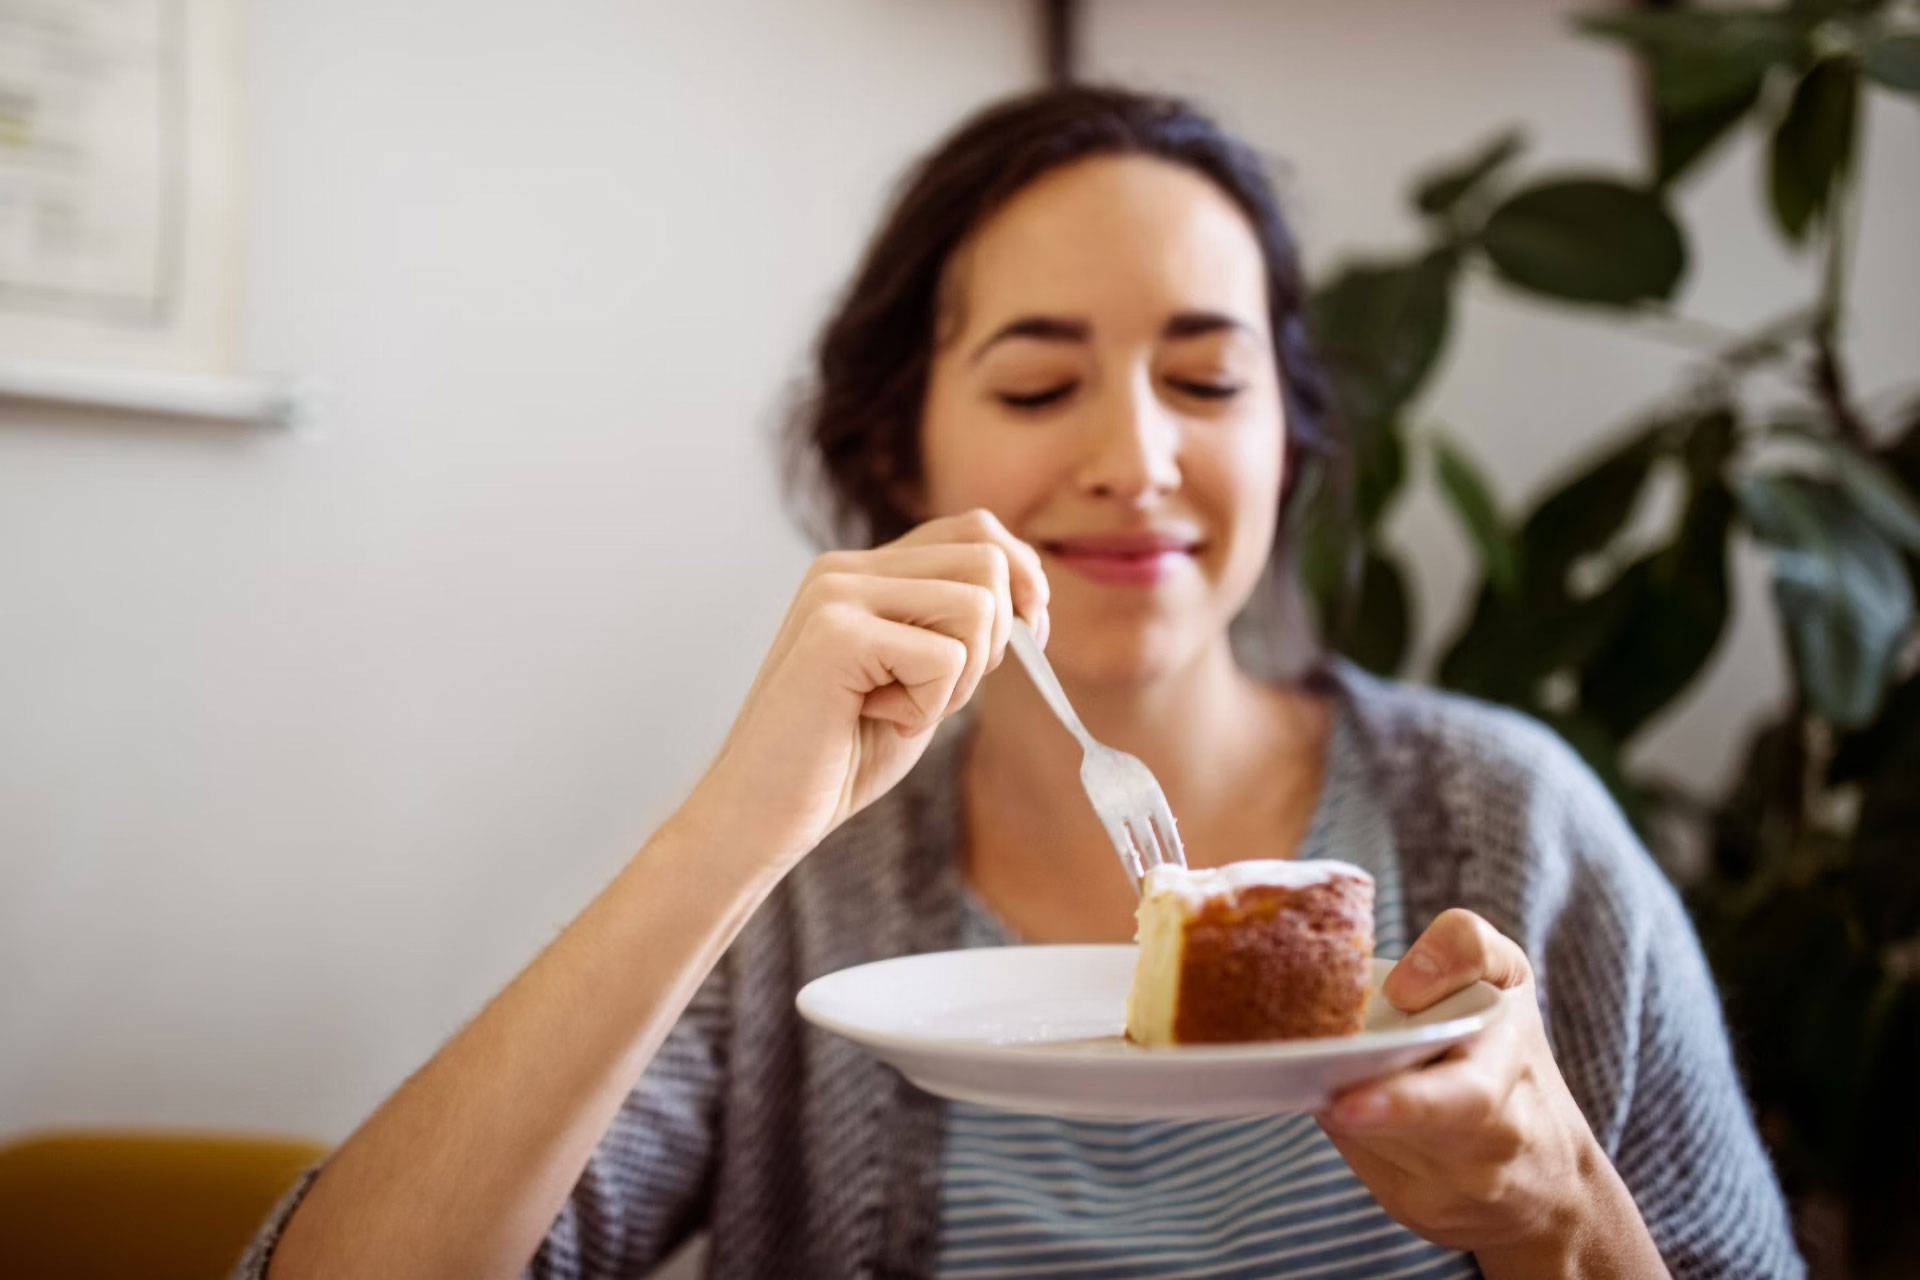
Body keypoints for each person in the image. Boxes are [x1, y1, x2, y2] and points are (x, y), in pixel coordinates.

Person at [240, 85, 1802, 1279]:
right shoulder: (803, 902)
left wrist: (1563, 1218)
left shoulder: (1514, 827)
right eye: (1041, 382)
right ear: (896, 443)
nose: (1136, 461)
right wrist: (729, 830)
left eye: (1208, 379)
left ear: (1291, 437)